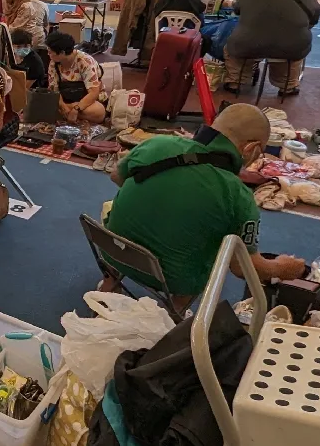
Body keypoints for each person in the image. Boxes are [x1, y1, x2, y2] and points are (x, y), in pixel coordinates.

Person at [105, 103, 308, 308]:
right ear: (251, 149)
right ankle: (174, 311)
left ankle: (109, 281)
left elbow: (116, 176)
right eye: (260, 152)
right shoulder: (239, 196)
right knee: (212, 256)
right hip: (169, 277)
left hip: (112, 248)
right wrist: (281, 268)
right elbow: (242, 268)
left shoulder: (157, 143)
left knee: (121, 205)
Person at [222, 0, 320, 96]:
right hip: (291, 47)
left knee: (233, 48)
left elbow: (237, 10)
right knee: (293, 52)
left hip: (248, 45)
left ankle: (235, 81)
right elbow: (313, 20)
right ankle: (288, 86)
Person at [43, 31, 106, 123]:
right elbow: (54, 90)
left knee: (98, 111)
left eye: (50, 52)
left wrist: (76, 108)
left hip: (87, 103)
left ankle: (68, 115)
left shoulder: (85, 62)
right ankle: (71, 115)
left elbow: (93, 93)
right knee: (43, 103)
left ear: (62, 53)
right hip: (65, 101)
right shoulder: (54, 63)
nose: (48, 55)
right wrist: (63, 106)